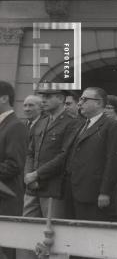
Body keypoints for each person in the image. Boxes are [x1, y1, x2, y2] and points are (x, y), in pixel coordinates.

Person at [65, 87, 117, 221]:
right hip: (75, 192)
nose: (80, 103)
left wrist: (105, 192)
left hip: (95, 195)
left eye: (84, 99)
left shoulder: (112, 126)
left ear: (98, 103)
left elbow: (114, 162)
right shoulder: (81, 125)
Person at [23, 89, 78, 219]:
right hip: (32, 187)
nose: (43, 100)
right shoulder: (41, 122)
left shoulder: (71, 123)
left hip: (53, 187)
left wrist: (36, 175)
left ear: (60, 98)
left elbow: (64, 156)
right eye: (42, 97)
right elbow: (30, 153)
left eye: (48, 97)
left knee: (51, 230)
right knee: (27, 228)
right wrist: (28, 175)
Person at [0, 81, 28, 259]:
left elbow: (14, 165)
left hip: (6, 198)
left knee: (5, 247)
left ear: (4, 98)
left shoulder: (15, 126)